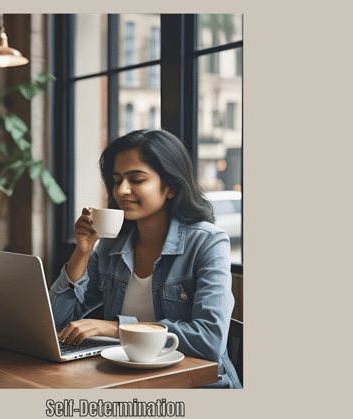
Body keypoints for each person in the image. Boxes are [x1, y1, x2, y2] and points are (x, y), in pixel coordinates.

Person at [49, 129, 241, 388]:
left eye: (137, 179)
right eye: (117, 180)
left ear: (171, 186)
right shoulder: (110, 247)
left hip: (197, 387)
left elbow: (209, 340)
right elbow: (59, 323)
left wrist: (116, 329)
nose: (122, 190)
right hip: (128, 380)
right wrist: (82, 252)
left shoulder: (208, 242)